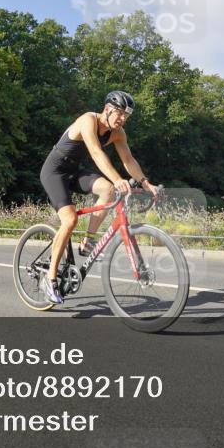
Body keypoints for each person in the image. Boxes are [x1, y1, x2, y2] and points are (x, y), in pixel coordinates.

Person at [38, 90, 159, 304]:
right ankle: (50, 278)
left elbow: (128, 160)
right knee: (70, 219)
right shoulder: (87, 120)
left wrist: (145, 182)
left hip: (74, 171)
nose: (122, 119)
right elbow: (95, 153)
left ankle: (88, 242)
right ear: (107, 109)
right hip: (54, 171)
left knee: (108, 191)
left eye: (126, 116)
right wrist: (116, 178)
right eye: (120, 113)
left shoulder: (118, 133)